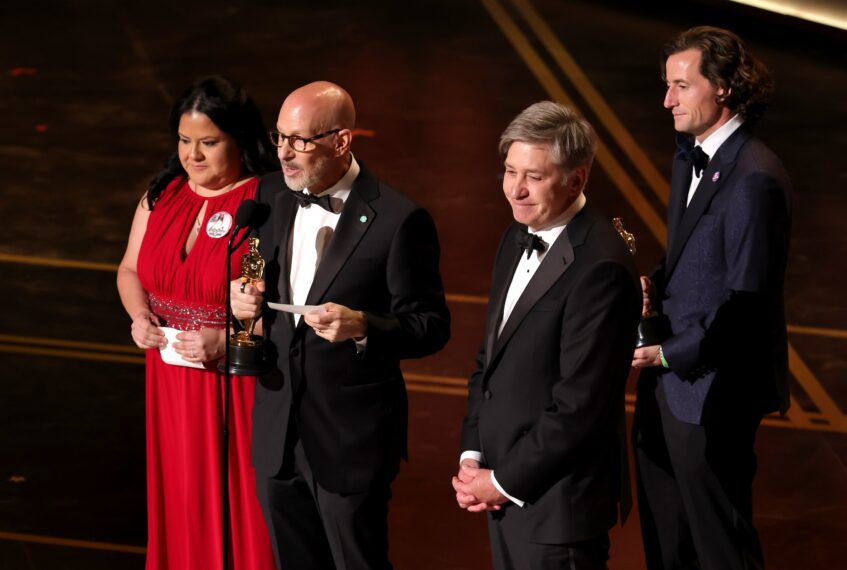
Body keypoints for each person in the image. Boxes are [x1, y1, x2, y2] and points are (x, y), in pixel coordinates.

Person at [230, 81, 450, 570]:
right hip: (278, 434)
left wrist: (364, 326)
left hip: (349, 443)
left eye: (300, 141)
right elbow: (256, 278)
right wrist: (242, 299)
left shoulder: (399, 220)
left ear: (342, 140)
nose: (283, 153)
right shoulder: (271, 194)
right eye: (279, 137)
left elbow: (431, 326)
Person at [453, 101, 641, 569]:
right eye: (509, 170)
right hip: (506, 489)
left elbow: (581, 405)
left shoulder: (600, 265)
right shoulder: (516, 236)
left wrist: (500, 483)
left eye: (533, 177)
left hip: (557, 509)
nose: (515, 189)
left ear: (576, 179)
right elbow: (489, 362)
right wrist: (473, 454)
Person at [631, 26, 792, 570]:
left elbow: (745, 305)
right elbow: (693, 255)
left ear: (722, 87)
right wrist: (655, 278)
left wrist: (669, 354)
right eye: (666, 85)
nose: (666, 99)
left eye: (680, 85)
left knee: (720, 548)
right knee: (668, 540)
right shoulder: (690, 155)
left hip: (713, 393)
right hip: (669, 388)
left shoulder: (755, 180)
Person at [116, 75, 278, 570]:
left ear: (239, 140)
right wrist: (139, 315)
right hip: (169, 378)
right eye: (185, 141)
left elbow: (270, 308)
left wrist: (224, 341)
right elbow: (129, 269)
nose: (194, 155)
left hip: (232, 384)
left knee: (239, 506)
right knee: (180, 498)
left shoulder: (261, 206)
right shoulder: (161, 196)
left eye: (209, 143)